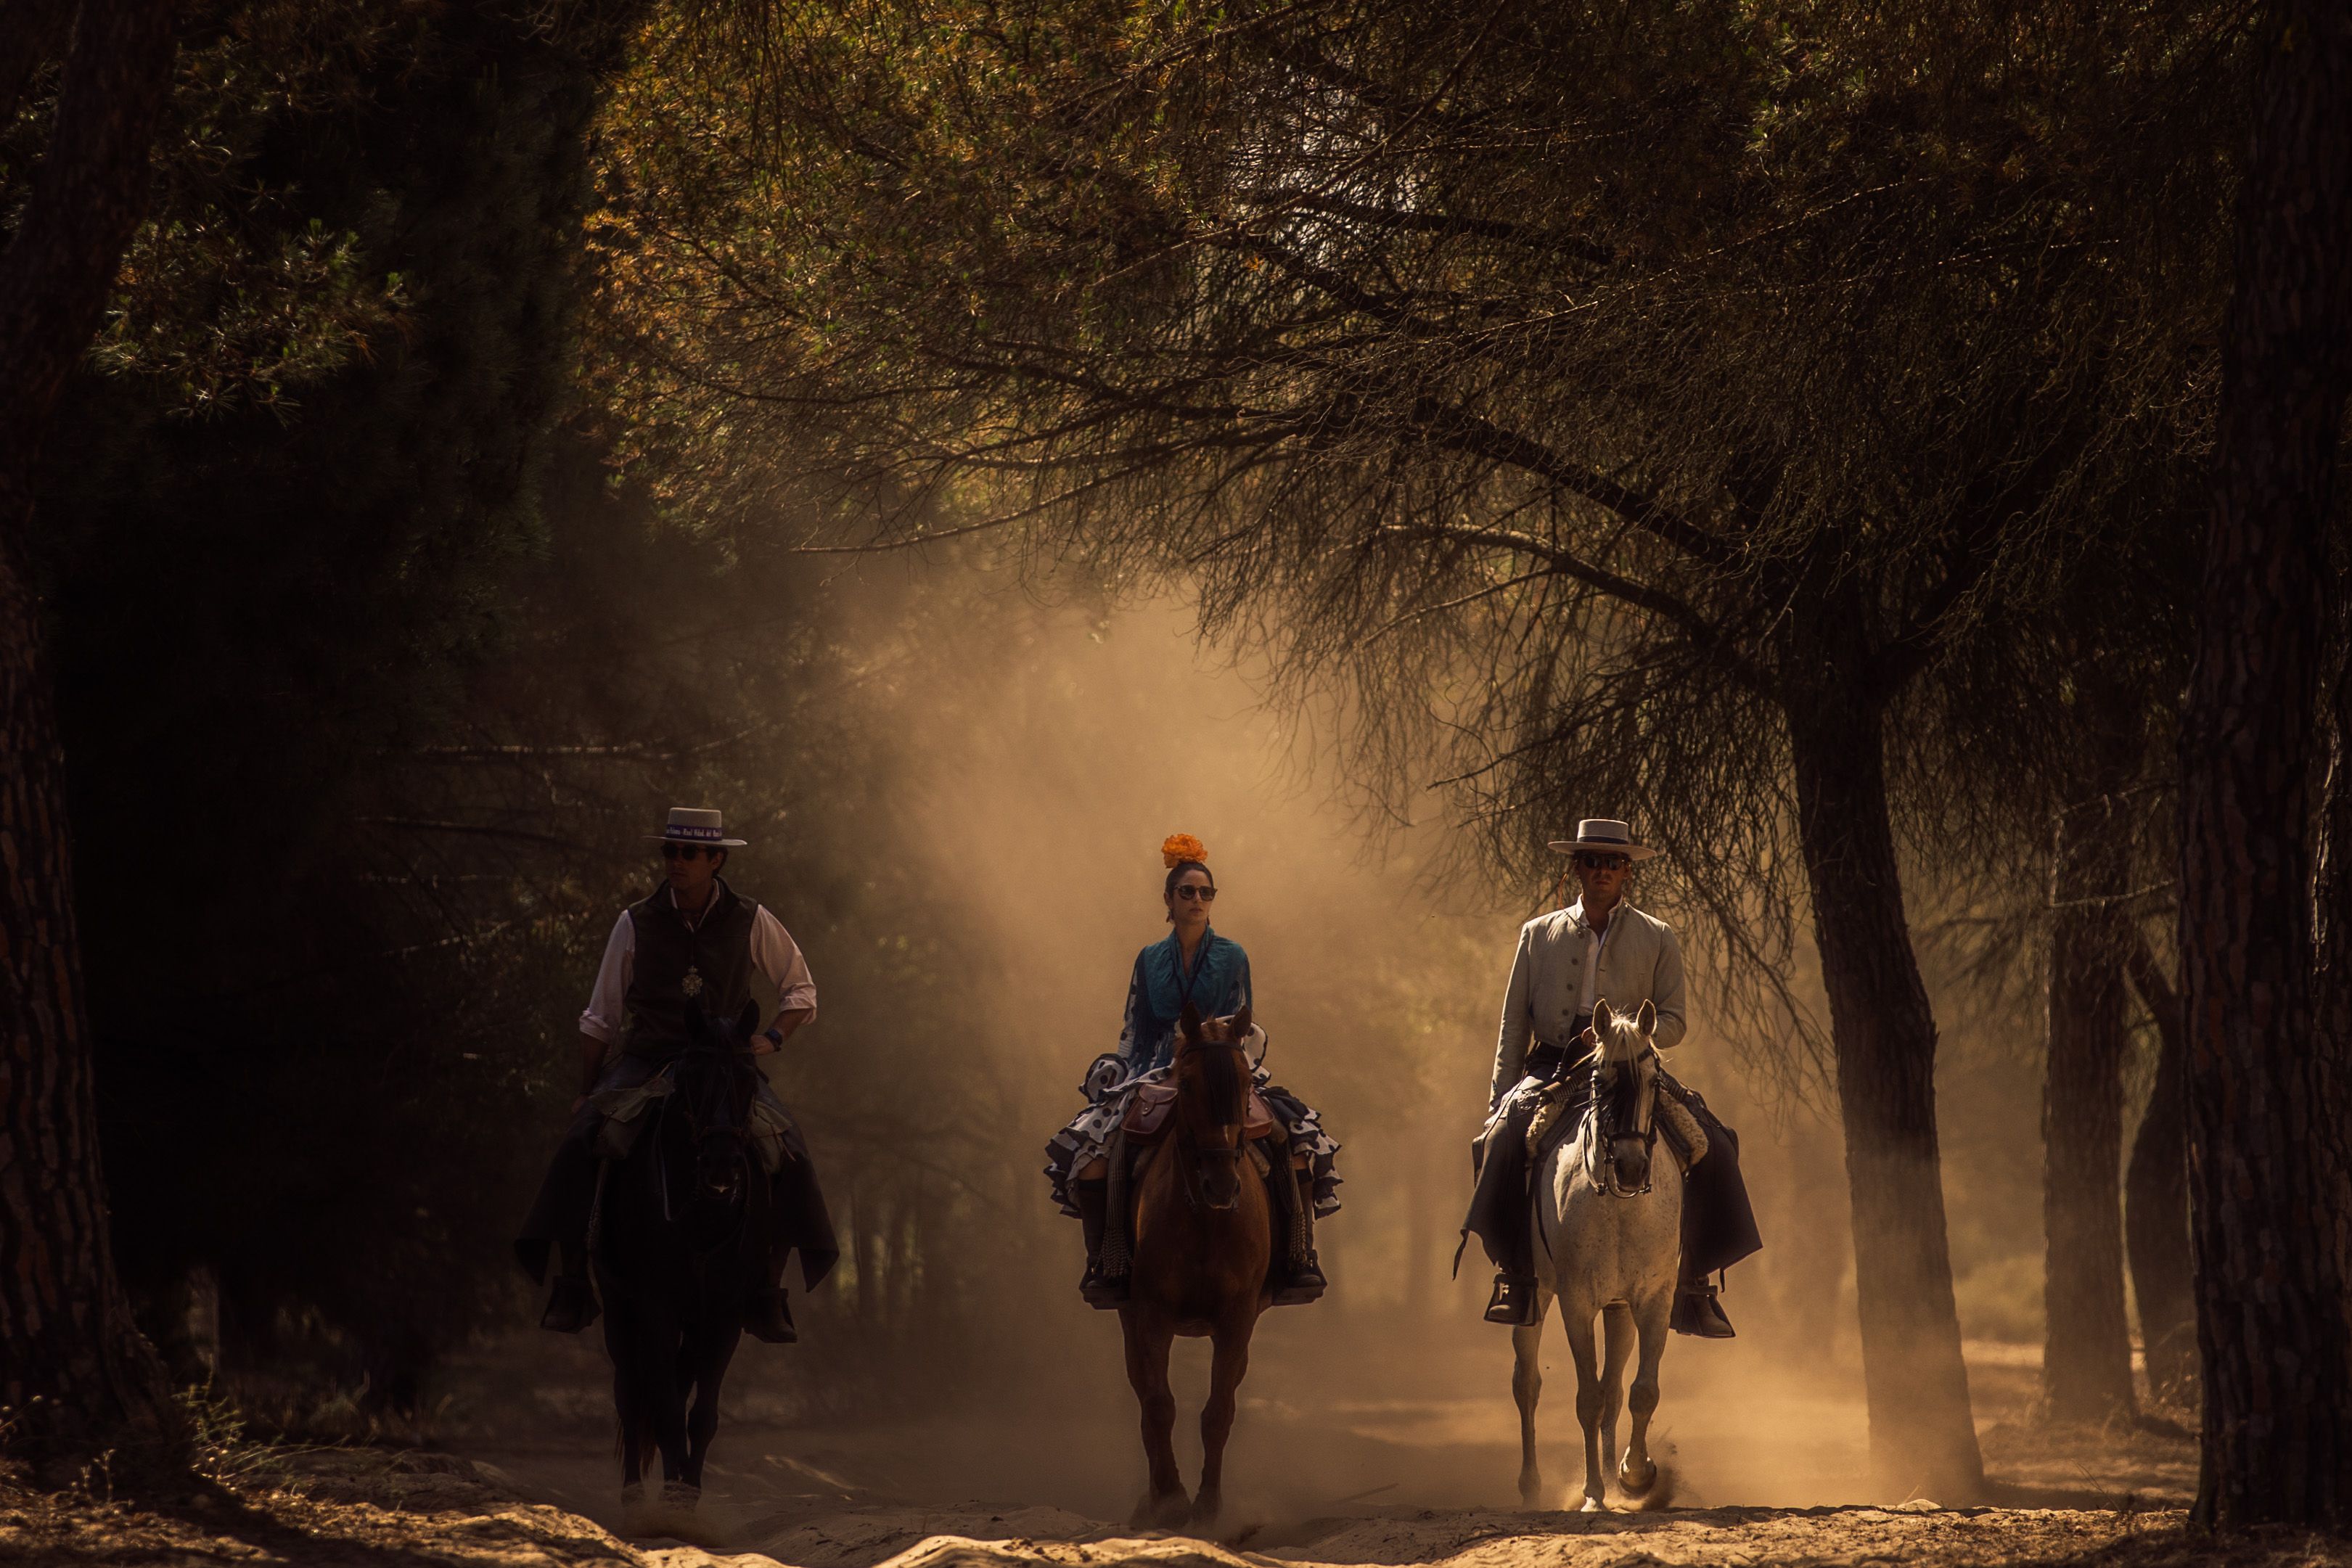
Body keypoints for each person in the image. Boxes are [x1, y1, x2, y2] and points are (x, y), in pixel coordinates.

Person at [515, 807, 838, 1344]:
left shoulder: (751, 918)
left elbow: (800, 990)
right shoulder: (635, 921)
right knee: (581, 1140)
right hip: (647, 1057)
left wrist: (773, 1038)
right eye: (670, 851)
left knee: (788, 1148)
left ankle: (768, 1289)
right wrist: (587, 1091)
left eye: (689, 853)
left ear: (715, 860)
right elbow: (601, 1015)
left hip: (722, 1062)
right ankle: (572, 1282)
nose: (676, 861)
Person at [1460, 819, 1762, 1334]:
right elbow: (1514, 1024)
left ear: (1627, 872)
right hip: (1552, 1064)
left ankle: (1693, 1284)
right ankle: (1516, 1275)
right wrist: (1500, 1098)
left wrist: (1627, 1036)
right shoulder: (1537, 934)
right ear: (1576, 867)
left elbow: (1675, 1020)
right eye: (1592, 860)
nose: (1603, 869)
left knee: (1713, 1142)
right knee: (1502, 1138)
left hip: (1630, 1067)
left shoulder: (1657, 935)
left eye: (1613, 862)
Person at [1044, 834, 1340, 1308]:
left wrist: (1215, 1049)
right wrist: (1121, 1068)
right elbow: (1133, 1024)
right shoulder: (1148, 958)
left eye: (1206, 892)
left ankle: (1299, 1256)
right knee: (1097, 1151)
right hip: (1152, 1068)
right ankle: (1105, 1260)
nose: (1197, 899)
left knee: (1293, 1139)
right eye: (1187, 892)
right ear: (1169, 899)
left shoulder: (1233, 955)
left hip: (1218, 1062)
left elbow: (1242, 1018)